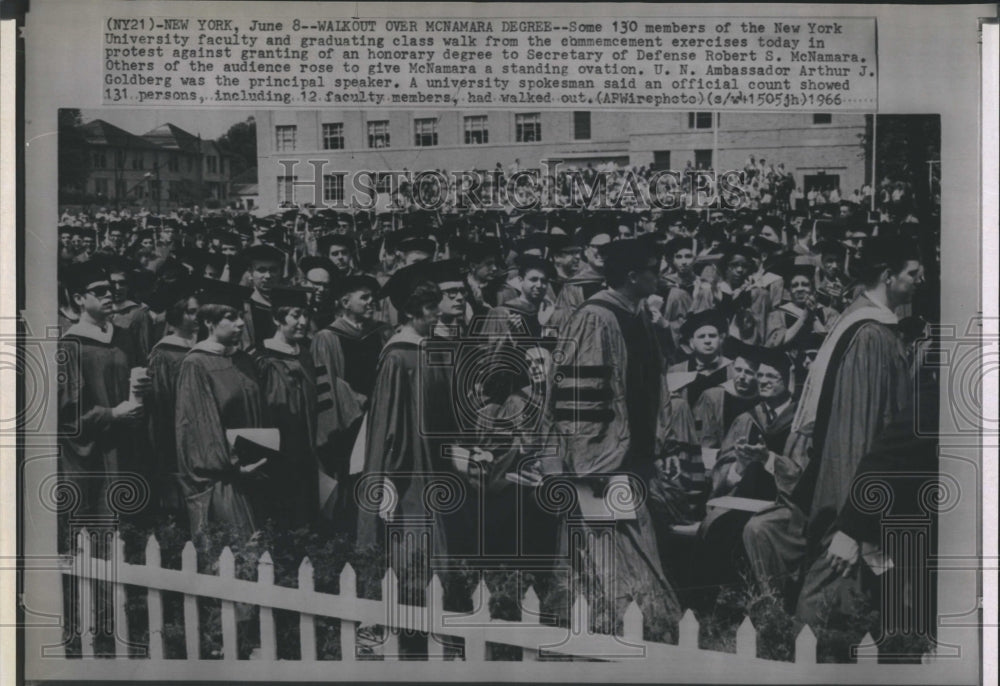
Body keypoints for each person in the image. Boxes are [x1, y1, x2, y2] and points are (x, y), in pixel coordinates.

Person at [742, 237, 921, 622]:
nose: (918, 281)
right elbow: (856, 437)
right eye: (912, 274)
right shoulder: (870, 336)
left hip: (864, 491)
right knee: (837, 603)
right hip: (854, 497)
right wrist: (856, 522)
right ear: (888, 276)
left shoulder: (864, 322)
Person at [551, 236, 682, 638]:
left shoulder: (638, 313)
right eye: (653, 271)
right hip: (604, 460)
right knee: (608, 550)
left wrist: (661, 440)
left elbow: (653, 381)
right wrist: (592, 459)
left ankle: (633, 624)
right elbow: (579, 393)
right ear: (631, 276)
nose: (661, 278)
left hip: (636, 454)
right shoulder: (595, 317)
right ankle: (625, 625)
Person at [58, 262, 150, 539]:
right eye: (99, 291)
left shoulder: (123, 337)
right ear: (79, 299)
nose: (109, 295)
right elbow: (67, 415)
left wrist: (144, 390)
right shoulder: (70, 345)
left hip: (128, 444)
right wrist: (112, 414)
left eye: (109, 289)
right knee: (98, 528)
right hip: (95, 452)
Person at [175, 279, 268, 541]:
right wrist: (233, 466)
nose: (240, 324)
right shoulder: (196, 364)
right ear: (208, 322)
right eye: (231, 317)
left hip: (255, 471)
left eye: (241, 316)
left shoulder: (244, 360)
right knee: (236, 549)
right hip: (223, 479)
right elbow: (199, 428)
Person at [254, 286, 319, 530]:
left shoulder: (307, 354)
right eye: (295, 315)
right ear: (276, 318)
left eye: (305, 315)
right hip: (276, 446)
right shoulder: (260, 356)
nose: (303, 322)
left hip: (306, 444)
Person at [145, 281, 200, 524]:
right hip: (175, 434)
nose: (197, 317)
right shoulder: (164, 353)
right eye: (191, 312)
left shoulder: (199, 347)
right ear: (177, 314)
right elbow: (161, 404)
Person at [239, 244, 286, 349]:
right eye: (261, 270)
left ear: (281, 272)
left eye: (273, 270)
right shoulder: (245, 308)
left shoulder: (287, 305)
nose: (268, 276)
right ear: (251, 273)